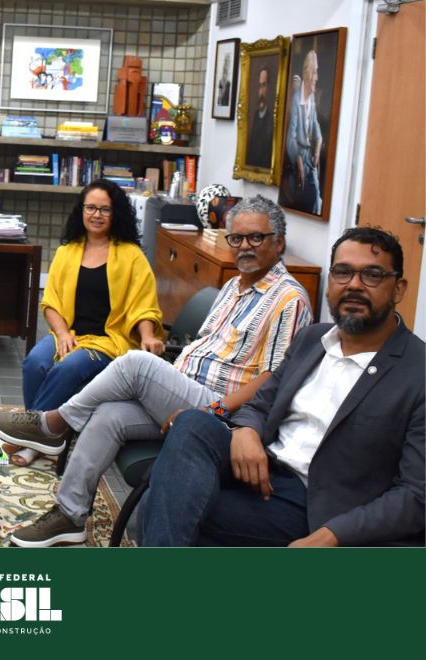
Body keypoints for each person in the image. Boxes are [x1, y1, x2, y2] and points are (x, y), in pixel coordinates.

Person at [1, 196, 311, 547]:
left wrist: (214, 410)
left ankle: (54, 424)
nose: (244, 247)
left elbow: (274, 380)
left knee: (136, 363)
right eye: (236, 238)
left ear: (279, 243)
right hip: (187, 392)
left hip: (223, 412)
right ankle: (70, 515)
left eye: (255, 238)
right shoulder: (234, 286)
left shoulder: (288, 299)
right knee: (108, 415)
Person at [142, 226, 424, 547]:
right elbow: (260, 404)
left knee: (159, 503)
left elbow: (417, 493)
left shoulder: (417, 371)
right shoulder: (311, 339)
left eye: (372, 275)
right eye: (343, 272)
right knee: (193, 424)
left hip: (316, 505)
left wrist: (334, 535)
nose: (354, 285)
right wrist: (246, 430)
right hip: (261, 467)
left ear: (399, 289)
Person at [0, 179, 164, 464]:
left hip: (108, 341)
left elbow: (144, 306)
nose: (96, 214)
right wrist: (62, 333)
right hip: (68, 333)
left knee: (67, 368)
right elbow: (51, 303)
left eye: (105, 209)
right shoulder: (67, 252)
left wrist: (147, 336)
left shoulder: (132, 256)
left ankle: (30, 437)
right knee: (35, 362)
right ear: (81, 210)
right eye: (90, 207)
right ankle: (44, 436)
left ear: (116, 213)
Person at [281, 49, 323, 215]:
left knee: (316, 200)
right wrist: (298, 160)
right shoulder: (296, 100)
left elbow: (316, 126)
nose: (317, 77)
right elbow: (290, 139)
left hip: (309, 159)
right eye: (315, 72)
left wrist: (317, 147)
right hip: (297, 159)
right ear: (307, 74)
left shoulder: (311, 99)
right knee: (308, 200)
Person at [245, 66, 275, 169]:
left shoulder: (271, 119)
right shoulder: (255, 116)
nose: (261, 92)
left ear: (269, 88)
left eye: (264, 86)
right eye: (259, 86)